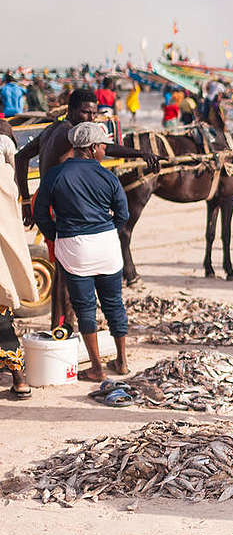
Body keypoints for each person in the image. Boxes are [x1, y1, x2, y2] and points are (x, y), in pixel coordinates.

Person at [14, 89, 157, 331]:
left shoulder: (52, 128)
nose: (90, 118)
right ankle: (63, 327)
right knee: (67, 270)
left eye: (93, 113)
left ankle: (61, 325)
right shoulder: (71, 133)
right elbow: (105, 149)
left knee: (64, 268)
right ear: (71, 110)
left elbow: (21, 157)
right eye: (85, 112)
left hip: (46, 200)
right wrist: (141, 153)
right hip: (59, 205)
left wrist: (27, 200)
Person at [34, 123, 131, 381]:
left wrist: (55, 233)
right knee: (114, 303)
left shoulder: (55, 175)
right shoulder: (108, 176)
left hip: (73, 247)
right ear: (92, 148)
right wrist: (106, 229)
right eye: (103, 146)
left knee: (85, 307)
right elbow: (123, 214)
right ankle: (122, 361)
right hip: (107, 246)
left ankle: (97, 367)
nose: (105, 151)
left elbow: (39, 212)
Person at [0, 134, 38, 399]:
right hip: (2, 264)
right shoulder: (5, 180)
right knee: (3, 320)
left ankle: (19, 377)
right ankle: (19, 379)